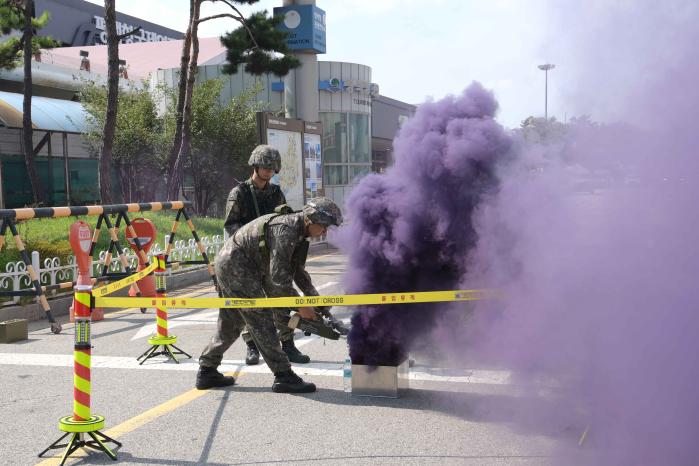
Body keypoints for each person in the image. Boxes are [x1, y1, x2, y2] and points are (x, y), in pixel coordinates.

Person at [196, 197, 343, 392]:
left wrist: (320, 307)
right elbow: (279, 280)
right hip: (237, 266)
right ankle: (283, 375)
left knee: (232, 321)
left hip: (246, 267)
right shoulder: (287, 230)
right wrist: (302, 306)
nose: (324, 232)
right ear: (311, 219)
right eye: (323, 226)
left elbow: (299, 273)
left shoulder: (299, 233)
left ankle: (207, 370)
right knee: (261, 319)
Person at [223, 145, 311, 365]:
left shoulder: (275, 193)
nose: (269, 171)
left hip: (271, 258)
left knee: (281, 301)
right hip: (246, 259)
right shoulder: (240, 193)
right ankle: (252, 346)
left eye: (273, 168)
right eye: (265, 167)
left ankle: (288, 344)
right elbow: (231, 225)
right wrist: (249, 245)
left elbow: (283, 220)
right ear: (256, 165)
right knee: (251, 304)